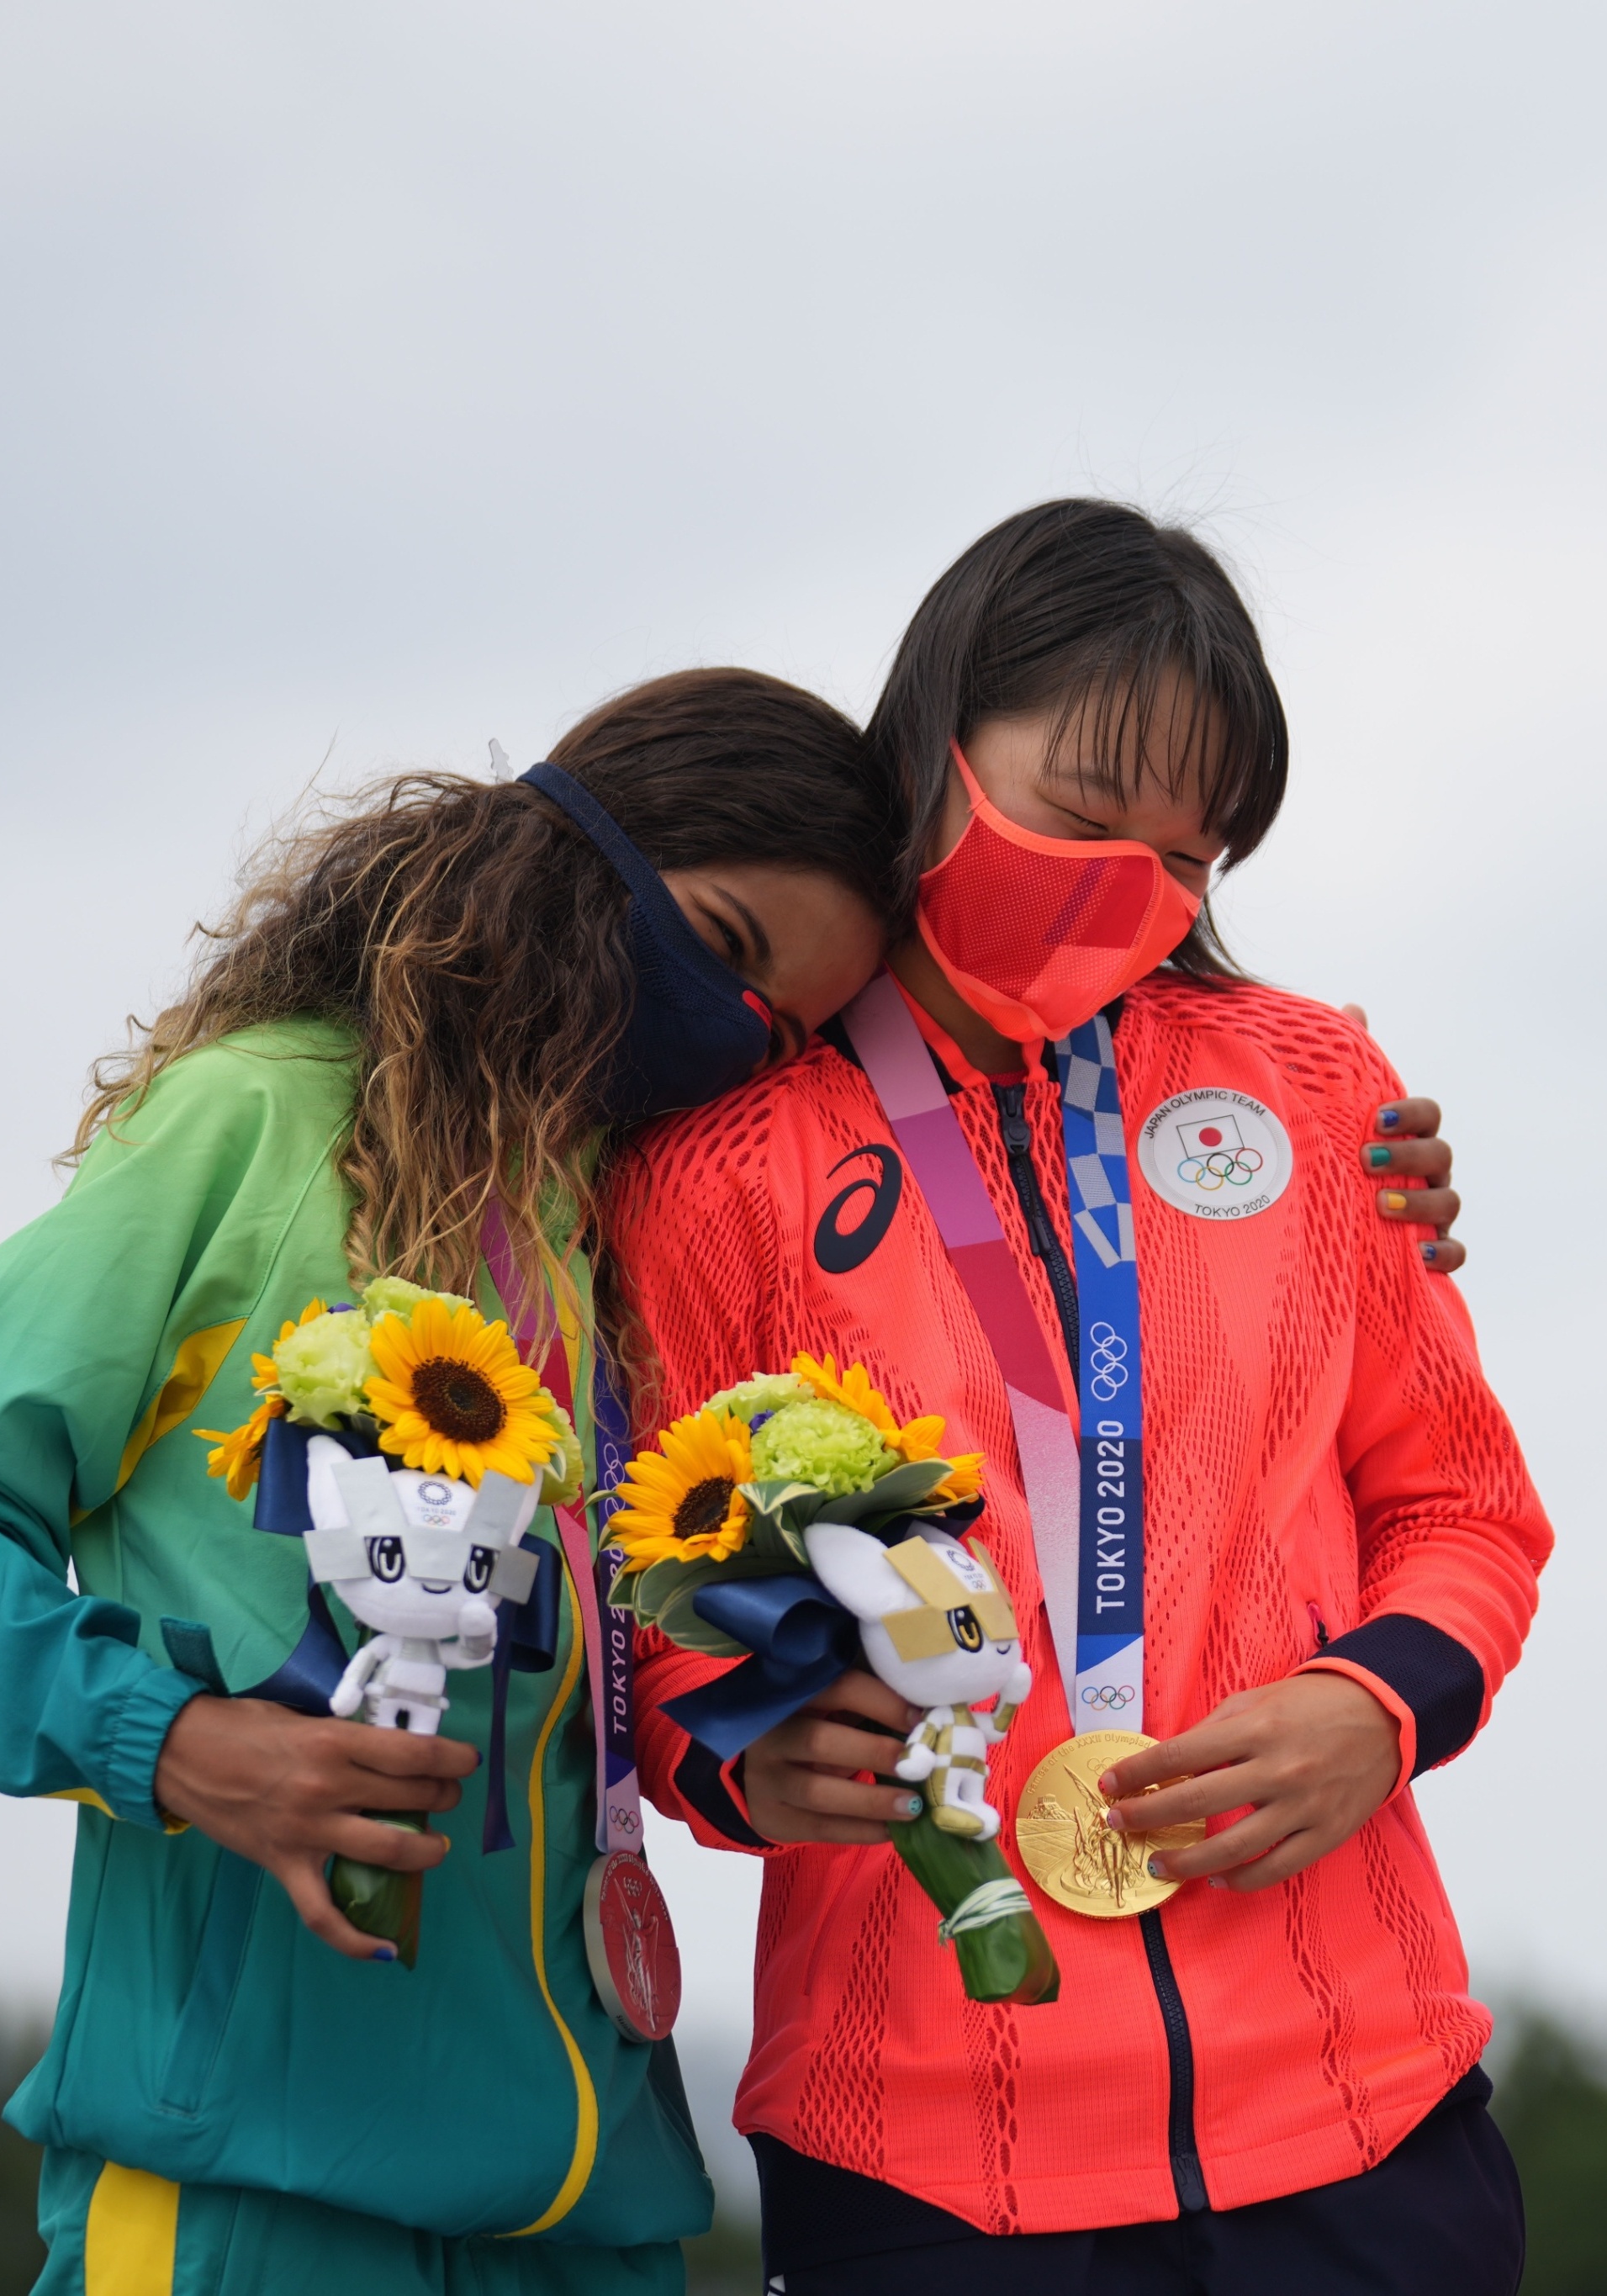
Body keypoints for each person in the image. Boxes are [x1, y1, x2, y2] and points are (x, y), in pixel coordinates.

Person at [610, 503, 1546, 2295]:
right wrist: (735, 1749)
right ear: (936, 742)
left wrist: (1381, 1705)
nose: (1132, 884)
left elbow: (1460, 1510)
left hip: (1364, 2120)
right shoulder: (715, 1169)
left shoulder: (1309, 1087)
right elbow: (639, 1605)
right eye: (1084, 812)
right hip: (922, 2156)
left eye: (1189, 854)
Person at [0, 669, 896, 2296]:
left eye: (781, 1033)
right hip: (249, 2194)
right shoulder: (249, 1122)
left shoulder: (646, 1238)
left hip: (600, 2217)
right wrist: (179, 1747)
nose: (729, 1041)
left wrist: (746, 1745)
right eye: (718, 952)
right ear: (576, 861)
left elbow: (611, 1687)